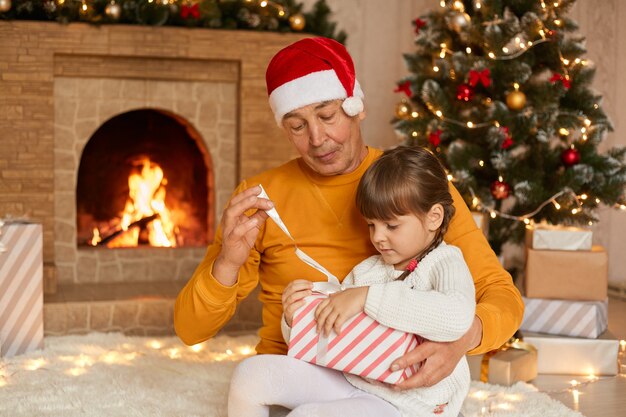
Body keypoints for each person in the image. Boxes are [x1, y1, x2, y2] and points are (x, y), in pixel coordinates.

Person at [174, 36, 523, 391]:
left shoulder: (412, 184)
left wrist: (458, 342)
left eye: (327, 116)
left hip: (389, 382)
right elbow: (190, 330)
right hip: (295, 372)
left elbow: (502, 296)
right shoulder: (261, 199)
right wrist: (228, 265)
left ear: (358, 107)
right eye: (297, 125)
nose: (316, 138)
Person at [228, 145, 476, 417]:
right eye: (372, 225)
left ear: (434, 217)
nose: (378, 237)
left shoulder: (445, 262)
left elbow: (457, 316)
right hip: (350, 381)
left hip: (407, 406)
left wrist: (367, 297)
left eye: (391, 226)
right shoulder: (369, 270)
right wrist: (295, 319)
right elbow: (330, 336)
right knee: (249, 375)